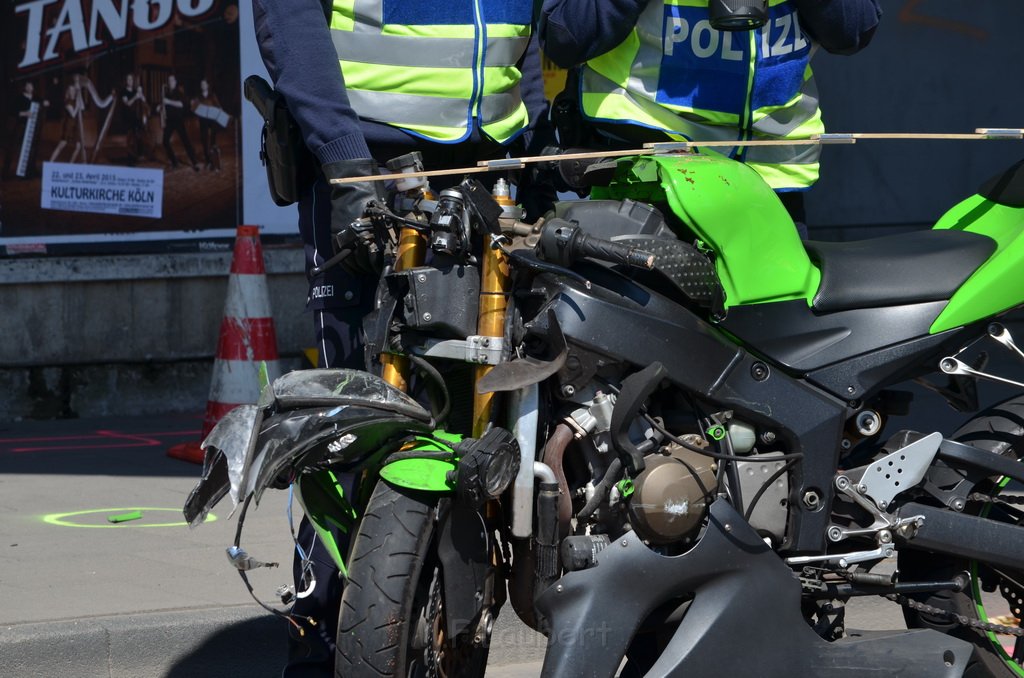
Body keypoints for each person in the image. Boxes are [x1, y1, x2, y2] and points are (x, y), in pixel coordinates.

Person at [251, 1, 549, 674]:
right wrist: (346, 161)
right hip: (370, 159)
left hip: (489, 163)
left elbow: (524, 22)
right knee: (353, 433)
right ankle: (321, 646)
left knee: (480, 432)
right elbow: (288, 17)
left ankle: (451, 638)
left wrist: (531, 143)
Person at [538, 0, 882, 227]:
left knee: (768, 334)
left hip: (770, 186)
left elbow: (854, 30)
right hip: (644, 182)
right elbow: (565, 36)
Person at [161, 74, 200, 171]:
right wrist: (160, 107)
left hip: (178, 120)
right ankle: (174, 162)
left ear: (175, 82)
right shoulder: (166, 93)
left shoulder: (179, 92)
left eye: (171, 81)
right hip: (169, 120)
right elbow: (165, 104)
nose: (170, 83)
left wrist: (168, 102)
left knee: (185, 141)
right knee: (165, 141)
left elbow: (181, 104)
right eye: (169, 81)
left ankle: (194, 162)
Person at [49, 77, 84, 164]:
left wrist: (80, 94)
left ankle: (70, 165)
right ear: (68, 92)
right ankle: (50, 163)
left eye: (74, 90)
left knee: (78, 147)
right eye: (71, 90)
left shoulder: (76, 100)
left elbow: (82, 107)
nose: (72, 92)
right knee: (61, 145)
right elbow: (73, 114)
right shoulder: (67, 102)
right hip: (69, 126)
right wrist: (77, 105)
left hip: (75, 126)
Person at [193, 79, 223, 171]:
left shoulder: (212, 95)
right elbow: (195, 108)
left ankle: (214, 161)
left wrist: (219, 113)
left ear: (207, 85)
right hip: (203, 120)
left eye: (204, 84)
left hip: (212, 120)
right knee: (204, 140)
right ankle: (208, 160)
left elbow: (219, 107)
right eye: (201, 84)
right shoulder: (198, 97)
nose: (203, 86)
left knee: (213, 141)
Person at [120, 73, 148, 164]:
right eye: (128, 79)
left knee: (139, 135)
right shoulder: (123, 91)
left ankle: (140, 155)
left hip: (136, 116)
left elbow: (144, 101)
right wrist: (136, 96)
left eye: (131, 79)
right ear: (126, 81)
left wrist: (141, 94)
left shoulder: (136, 90)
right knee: (130, 138)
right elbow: (127, 104)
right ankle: (130, 157)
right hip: (127, 117)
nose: (130, 81)